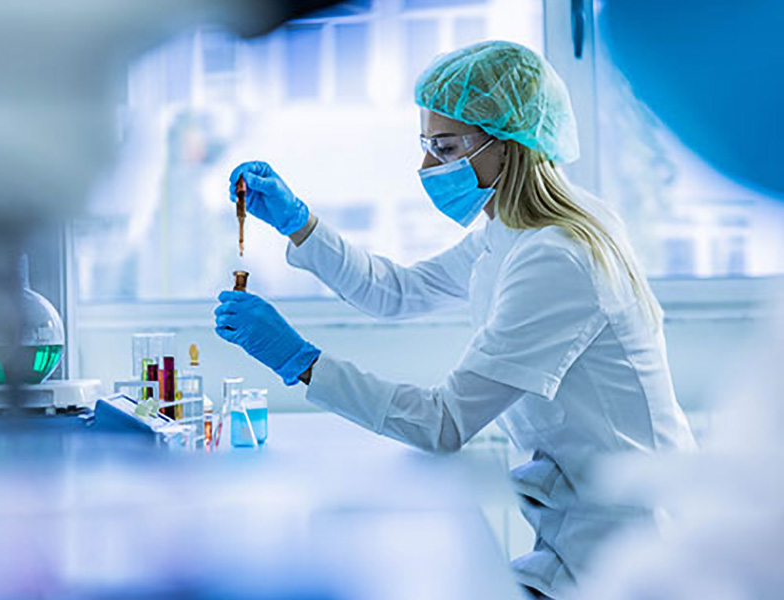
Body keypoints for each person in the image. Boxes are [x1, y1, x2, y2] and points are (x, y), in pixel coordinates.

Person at [213, 40, 696, 600]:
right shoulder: (514, 232)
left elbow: (441, 425)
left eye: (443, 148)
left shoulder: (556, 256)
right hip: (580, 539)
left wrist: (299, 361)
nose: (424, 167)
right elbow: (395, 291)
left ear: (508, 145)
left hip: (627, 553)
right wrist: (300, 224)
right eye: (426, 146)